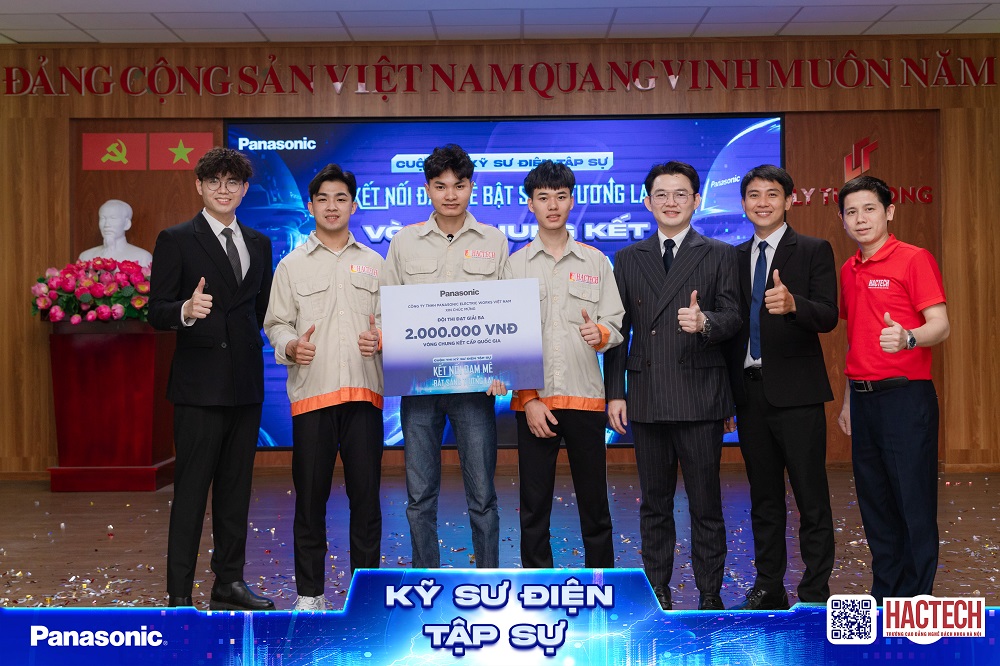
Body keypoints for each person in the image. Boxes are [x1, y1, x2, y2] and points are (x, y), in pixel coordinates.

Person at [604, 161, 740, 611]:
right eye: (661, 194)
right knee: (654, 504)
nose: (671, 202)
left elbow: (734, 318)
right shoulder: (628, 258)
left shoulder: (719, 254)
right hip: (646, 394)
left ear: (697, 200)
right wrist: (615, 392)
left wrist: (705, 323)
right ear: (647, 202)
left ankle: (709, 594)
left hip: (699, 395)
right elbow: (618, 332)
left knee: (706, 503)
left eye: (681, 194)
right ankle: (657, 589)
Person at [149, 147, 275, 611]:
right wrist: (185, 309)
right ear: (199, 186)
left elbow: (262, 312)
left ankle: (229, 583)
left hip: (245, 386)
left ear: (244, 190)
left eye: (233, 182)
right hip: (199, 388)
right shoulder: (176, 239)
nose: (224, 190)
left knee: (235, 493)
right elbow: (156, 311)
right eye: (215, 181)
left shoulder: (259, 243)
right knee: (191, 493)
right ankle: (180, 594)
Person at [376, 144, 510, 569]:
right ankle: (425, 580)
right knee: (419, 496)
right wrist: (385, 338)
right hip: (419, 385)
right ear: (427, 189)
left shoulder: (494, 240)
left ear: (471, 187)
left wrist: (503, 368)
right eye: (440, 186)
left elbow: (507, 312)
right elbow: (384, 308)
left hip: (475, 386)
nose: (450, 194)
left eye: (459, 185)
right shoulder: (404, 241)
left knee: (482, 494)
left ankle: (488, 581)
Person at [263, 164, 384, 611]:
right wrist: (291, 345)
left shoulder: (376, 263)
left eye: (340, 198)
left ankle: (365, 595)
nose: (332, 206)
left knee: (366, 501)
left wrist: (382, 336)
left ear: (354, 205)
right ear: (311, 206)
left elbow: (393, 319)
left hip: (364, 396)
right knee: (310, 501)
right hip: (313, 397)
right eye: (323, 199)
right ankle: (310, 593)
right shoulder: (291, 266)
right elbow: (275, 323)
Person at [725, 165, 838, 610]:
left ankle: (814, 593)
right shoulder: (734, 257)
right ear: (743, 203)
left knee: (811, 498)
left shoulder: (812, 250)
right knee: (763, 498)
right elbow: (732, 329)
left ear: (789, 200)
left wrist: (794, 305)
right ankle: (768, 585)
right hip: (750, 395)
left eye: (772, 194)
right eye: (754, 195)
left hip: (798, 395)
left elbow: (827, 315)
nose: (763, 202)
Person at [836, 174, 949, 603]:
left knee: (912, 504)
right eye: (851, 212)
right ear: (843, 221)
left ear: (889, 212)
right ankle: (886, 596)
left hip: (906, 398)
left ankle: (917, 600)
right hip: (864, 401)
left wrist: (909, 338)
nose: (861, 219)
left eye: (869, 209)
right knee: (876, 506)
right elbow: (857, 338)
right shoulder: (848, 269)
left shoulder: (914, 259)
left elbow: (941, 325)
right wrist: (849, 398)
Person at [508, 161, 624, 569]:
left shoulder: (596, 262)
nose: (552, 205)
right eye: (543, 198)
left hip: (585, 399)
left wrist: (601, 334)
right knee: (533, 505)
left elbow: (615, 323)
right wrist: (528, 398)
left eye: (560, 196)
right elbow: (507, 338)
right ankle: (537, 585)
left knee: (595, 504)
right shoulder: (514, 265)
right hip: (534, 403)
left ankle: (602, 584)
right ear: (531, 204)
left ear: (572, 201)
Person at [79, 199, 153, 265]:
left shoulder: (142, 258)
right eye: (103, 218)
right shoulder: (86, 257)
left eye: (113, 218)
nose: (106, 225)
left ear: (127, 224)